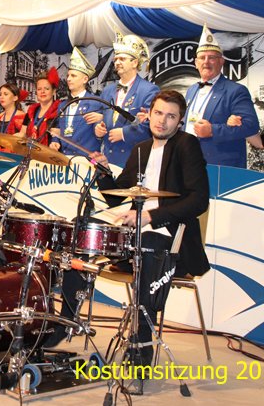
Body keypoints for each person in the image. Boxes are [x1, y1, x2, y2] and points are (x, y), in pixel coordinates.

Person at [59, 91, 210, 365]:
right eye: (158, 113)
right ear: (149, 114)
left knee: (148, 245)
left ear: (180, 121)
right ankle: (65, 321)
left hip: (169, 239)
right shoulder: (141, 149)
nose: (162, 121)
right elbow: (116, 197)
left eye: (171, 116)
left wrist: (151, 217)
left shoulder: (186, 145)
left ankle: (141, 345)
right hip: (133, 236)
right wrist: (104, 171)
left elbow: (199, 200)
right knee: (81, 230)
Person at [182, 24, 259, 168]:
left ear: (221, 61)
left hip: (221, 167)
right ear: (196, 63)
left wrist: (213, 130)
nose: (206, 62)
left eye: (211, 57)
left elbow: (251, 126)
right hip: (189, 162)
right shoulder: (191, 90)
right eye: (202, 58)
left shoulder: (236, 91)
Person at [95, 31, 159, 168]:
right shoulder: (107, 91)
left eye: (122, 59)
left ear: (134, 63)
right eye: (116, 59)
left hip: (133, 160)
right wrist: (98, 129)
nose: (117, 62)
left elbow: (152, 125)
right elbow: (102, 118)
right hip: (107, 160)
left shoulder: (149, 90)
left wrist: (124, 133)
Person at [49, 47, 106, 156]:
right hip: (64, 160)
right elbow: (59, 130)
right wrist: (55, 141)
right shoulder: (62, 105)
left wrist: (99, 132)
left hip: (86, 161)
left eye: (73, 76)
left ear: (85, 79)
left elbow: (98, 130)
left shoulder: (95, 103)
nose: (68, 79)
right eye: (68, 75)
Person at [18, 68, 61, 146]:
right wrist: (7, 139)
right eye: (39, 89)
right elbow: (22, 133)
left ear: (54, 91)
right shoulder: (31, 110)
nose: (42, 92)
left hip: (50, 152)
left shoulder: (59, 111)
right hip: (30, 151)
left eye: (46, 89)